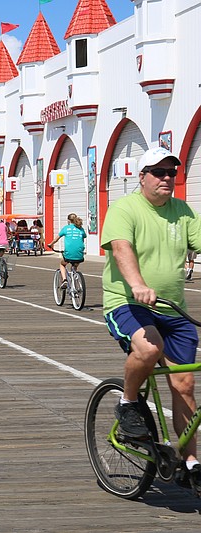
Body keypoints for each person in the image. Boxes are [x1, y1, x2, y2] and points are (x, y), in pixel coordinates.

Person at [102, 147, 201, 488]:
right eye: (158, 172)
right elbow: (121, 248)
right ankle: (128, 403)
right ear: (141, 176)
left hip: (173, 308)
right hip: (128, 303)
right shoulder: (124, 209)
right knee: (148, 347)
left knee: (185, 383)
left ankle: (190, 462)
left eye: (171, 172)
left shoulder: (182, 212)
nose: (166, 178)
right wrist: (138, 284)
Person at [48, 213, 86, 287]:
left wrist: (50, 244)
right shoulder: (81, 229)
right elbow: (83, 238)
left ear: (68, 220)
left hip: (69, 254)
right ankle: (75, 278)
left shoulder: (66, 228)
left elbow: (56, 239)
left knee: (62, 264)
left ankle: (64, 280)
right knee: (75, 264)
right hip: (79, 254)